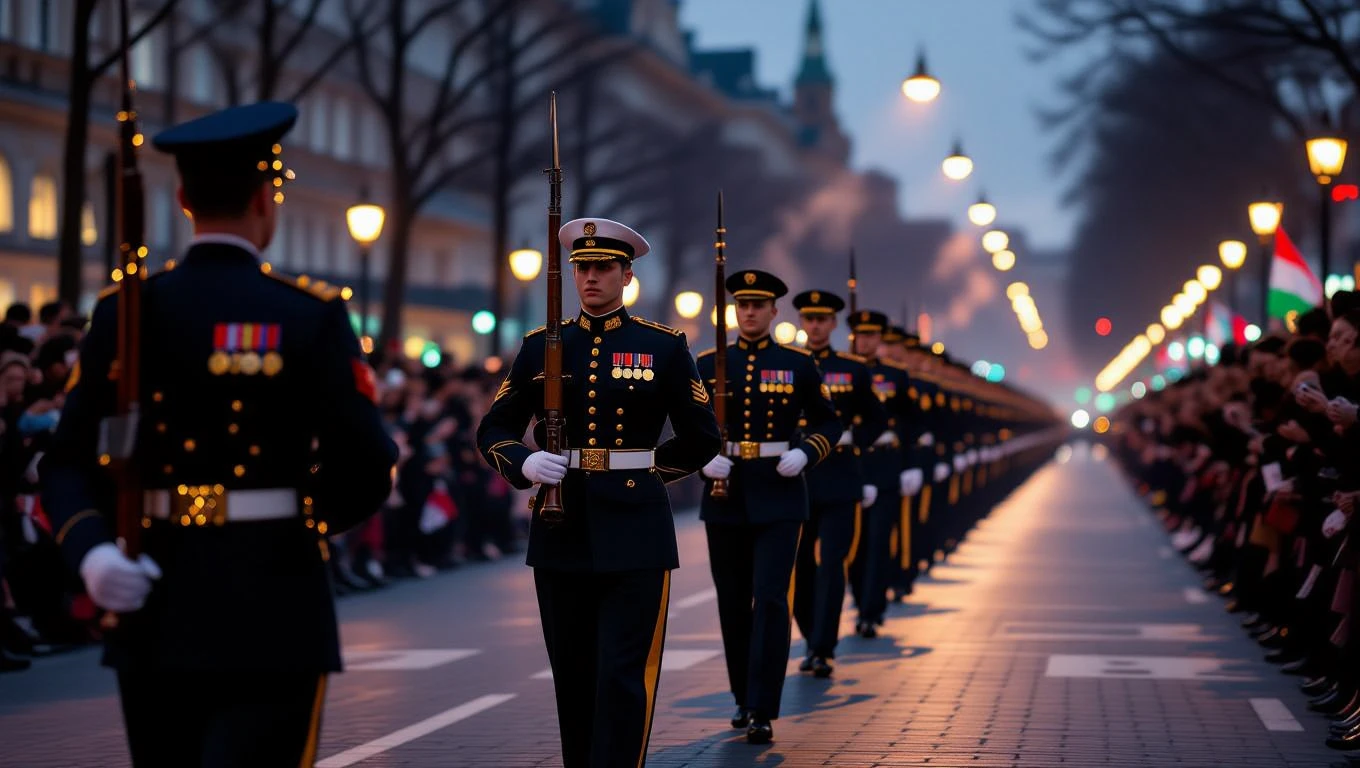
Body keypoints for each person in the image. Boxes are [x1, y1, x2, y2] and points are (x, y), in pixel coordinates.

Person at [40, 101, 398, 767]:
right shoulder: (309, 316)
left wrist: (93, 553)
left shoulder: (125, 312)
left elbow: (65, 461)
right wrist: (304, 521)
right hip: (273, 598)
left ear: (181, 198)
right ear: (267, 199)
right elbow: (370, 460)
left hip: (150, 592)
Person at [476, 217, 721, 768]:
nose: (590, 277)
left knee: (619, 672)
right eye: (582, 267)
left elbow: (704, 434)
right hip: (562, 525)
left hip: (635, 525)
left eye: (603, 268)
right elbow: (494, 427)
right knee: (573, 670)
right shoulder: (540, 348)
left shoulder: (662, 346)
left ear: (626, 275)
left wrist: (649, 469)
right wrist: (522, 462)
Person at [696, 269, 841, 743]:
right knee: (733, 604)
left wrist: (806, 453)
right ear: (734, 310)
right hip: (726, 494)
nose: (751, 311)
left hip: (780, 494)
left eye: (759, 305)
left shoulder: (798, 364)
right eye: (743, 304)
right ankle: (742, 695)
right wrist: (703, 461)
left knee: (772, 600)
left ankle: (762, 706)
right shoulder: (708, 363)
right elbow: (685, 426)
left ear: (775, 311)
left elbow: (829, 424)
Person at [789, 290, 886, 673]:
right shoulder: (790, 364)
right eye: (809, 318)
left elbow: (877, 419)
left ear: (832, 324)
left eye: (822, 319)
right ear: (802, 322)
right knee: (800, 565)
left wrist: (852, 442)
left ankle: (821, 646)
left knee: (832, 565)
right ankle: (811, 632)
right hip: (796, 475)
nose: (814, 325)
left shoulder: (854, 369)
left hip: (841, 475)